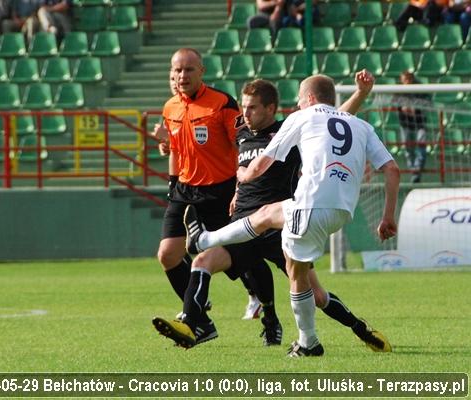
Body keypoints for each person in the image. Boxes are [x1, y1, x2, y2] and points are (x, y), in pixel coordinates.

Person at [154, 73, 393, 354]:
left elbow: (333, 120)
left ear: (270, 108)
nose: (246, 112)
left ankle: (360, 328)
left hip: (285, 226)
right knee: (202, 263)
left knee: (315, 294)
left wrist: (360, 95)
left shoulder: (290, 128)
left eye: (253, 106)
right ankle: (194, 325)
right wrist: (234, 191)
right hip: (244, 225)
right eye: (244, 106)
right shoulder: (241, 133)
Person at [153, 48, 244, 343]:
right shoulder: (170, 107)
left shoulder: (222, 104)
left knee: (242, 260)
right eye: (178, 71)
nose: (182, 76)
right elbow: (176, 148)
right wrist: (171, 173)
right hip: (183, 189)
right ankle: (200, 320)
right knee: (168, 254)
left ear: (202, 71)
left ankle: (266, 309)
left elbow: (243, 146)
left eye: (189, 70)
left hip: (220, 189)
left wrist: (242, 186)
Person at [397, 71, 431, 183]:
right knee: (408, 148)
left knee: (421, 146)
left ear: (411, 80)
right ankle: (413, 170)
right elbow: (394, 102)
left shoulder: (419, 90)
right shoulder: (399, 91)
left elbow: (428, 102)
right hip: (405, 124)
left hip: (420, 123)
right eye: (403, 80)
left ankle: (417, 169)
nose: (405, 83)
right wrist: (402, 108)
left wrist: (415, 108)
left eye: (406, 80)